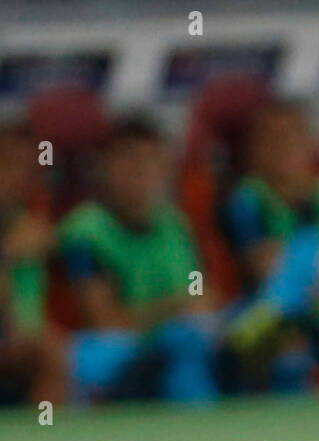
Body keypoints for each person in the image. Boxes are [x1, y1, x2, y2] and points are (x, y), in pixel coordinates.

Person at [59, 116, 218, 403]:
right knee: (85, 361)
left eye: (150, 163)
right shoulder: (86, 231)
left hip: (176, 347)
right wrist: (174, 308)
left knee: (195, 342)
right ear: (106, 169)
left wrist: (195, 311)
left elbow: (203, 301)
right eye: (128, 163)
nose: (139, 174)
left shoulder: (176, 226)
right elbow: (105, 323)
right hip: (112, 354)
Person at [225, 101, 319, 387]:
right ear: (255, 150)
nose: (284, 147)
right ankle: (272, 318)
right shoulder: (248, 202)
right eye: (273, 139)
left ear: (310, 143)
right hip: (286, 319)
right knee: (308, 249)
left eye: (292, 137)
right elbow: (267, 268)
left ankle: (273, 316)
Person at [0, 120, 65, 405]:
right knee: (49, 348)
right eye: (6, 165)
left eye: (26, 169)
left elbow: (53, 237)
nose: (17, 178)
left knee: (52, 347)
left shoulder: (32, 227)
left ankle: (45, 436)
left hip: (21, 343)